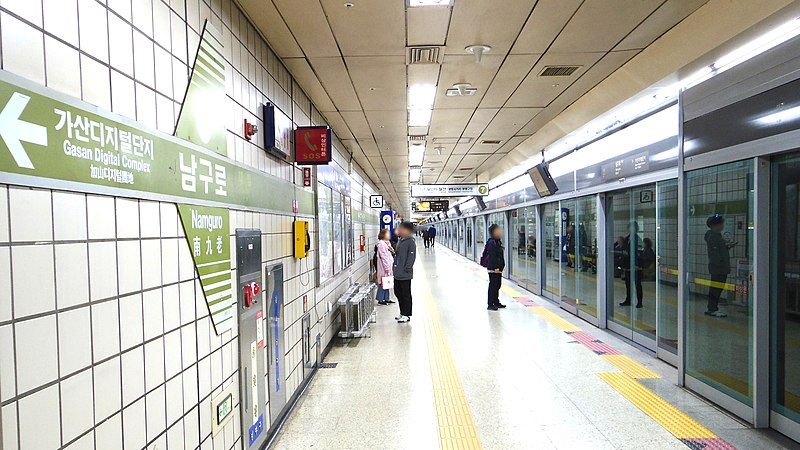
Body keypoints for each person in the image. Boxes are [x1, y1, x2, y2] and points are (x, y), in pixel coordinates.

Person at [705, 214, 735, 317]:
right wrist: (720, 264)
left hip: (719, 267)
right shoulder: (713, 236)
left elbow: (718, 251)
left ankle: (713, 308)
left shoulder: (716, 236)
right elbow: (715, 254)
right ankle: (712, 308)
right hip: (718, 268)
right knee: (716, 288)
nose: (723, 225)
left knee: (717, 288)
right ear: (715, 225)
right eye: (721, 223)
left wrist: (727, 247)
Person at [393, 222, 417, 323]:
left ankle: (407, 314)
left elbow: (411, 257)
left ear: (407, 230)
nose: (399, 230)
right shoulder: (400, 240)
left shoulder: (410, 241)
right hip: (397, 272)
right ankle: (402, 312)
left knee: (406, 294)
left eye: (401, 228)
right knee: (398, 293)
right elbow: (399, 254)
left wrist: (407, 269)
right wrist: (393, 251)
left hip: (405, 273)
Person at [482, 224, 507, 311]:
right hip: (493, 268)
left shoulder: (497, 241)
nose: (499, 232)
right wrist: (496, 267)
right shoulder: (491, 242)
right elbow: (493, 256)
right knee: (493, 285)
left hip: (498, 268)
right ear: (493, 232)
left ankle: (496, 301)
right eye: (497, 230)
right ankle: (490, 304)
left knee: (497, 285)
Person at [619, 222, 643, 308]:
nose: (631, 229)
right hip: (628, 266)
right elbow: (624, 250)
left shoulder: (638, 239)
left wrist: (638, 264)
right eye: (630, 227)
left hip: (636, 267)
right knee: (628, 284)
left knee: (637, 284)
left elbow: (639, 253)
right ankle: (628, 300)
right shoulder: (627, 239)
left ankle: (639, 302)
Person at [374, 229, 395, 305]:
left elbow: (391, 253)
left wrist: (391, 250)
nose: (389, 235)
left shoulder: (386, 243)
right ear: (383, 235)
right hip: (384, 267)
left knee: (387, 282)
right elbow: (384, 257)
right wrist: (387, 268)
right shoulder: (381, 244)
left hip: (388, 265)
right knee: (382, 283)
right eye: (387, 234)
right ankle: (380, 299)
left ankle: (386, 298)